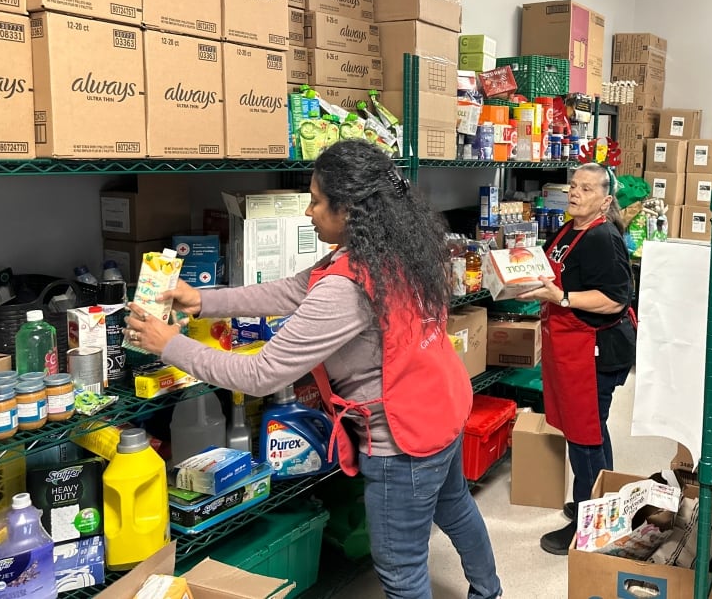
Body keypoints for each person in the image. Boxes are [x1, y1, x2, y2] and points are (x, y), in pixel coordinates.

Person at [124, 139, 502, 599]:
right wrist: (203, 300)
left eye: (318, 201)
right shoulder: (388, 250)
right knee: (456, 506)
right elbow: (292, 290)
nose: (308, 212)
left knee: (401, 570)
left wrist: (171, 345)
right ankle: (489, 591)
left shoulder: (347, 286)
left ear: (350, 211)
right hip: (444, 407)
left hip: (404, 440)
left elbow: (261, 375)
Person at [518, 162, 636, 556]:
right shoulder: (572, 227)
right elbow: (557, 275)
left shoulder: (603, 237)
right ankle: (603, 502)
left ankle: (588, 524)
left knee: (585, 436)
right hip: (571, 348)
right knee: (590, 429)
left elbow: (616, 298)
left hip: (594, 351)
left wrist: (562, 299)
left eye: (586, 189)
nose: (574, 193)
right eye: (573, 186)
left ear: (605, 200)